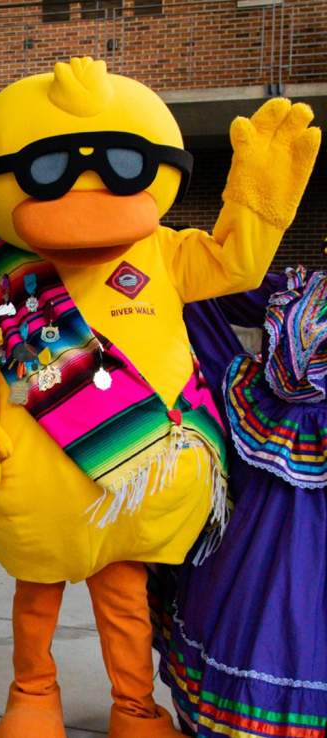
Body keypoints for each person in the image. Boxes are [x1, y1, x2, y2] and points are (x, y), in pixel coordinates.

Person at [153, 267, 327, 737]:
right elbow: (217, 279)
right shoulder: (298, 290)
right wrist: (169, 253)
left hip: (288, 485)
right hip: (267, 480)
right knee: (259, 596)